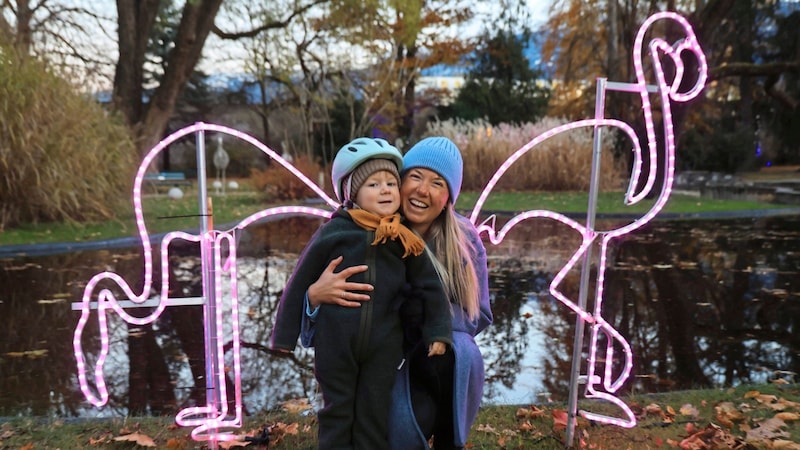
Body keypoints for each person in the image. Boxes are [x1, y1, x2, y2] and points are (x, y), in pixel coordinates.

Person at [306, 136, 493, 450]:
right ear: (399, 181)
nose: (422, 190)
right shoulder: (355, 229)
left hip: (433, 360)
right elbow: (311, 321)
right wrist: (314, 296)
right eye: (415, 177)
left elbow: (479, 316)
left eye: (437, 183)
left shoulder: (464, 240)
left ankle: (450, 442)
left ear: (448, 196)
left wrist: (428, 316)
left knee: (463, 349)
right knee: (393, 433)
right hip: (380, 362)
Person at [269, 137, 453, 450]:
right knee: (337, 410)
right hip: (335, 342)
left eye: (391, 183)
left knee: (373, 412)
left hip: (384, 344)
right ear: (353, 194)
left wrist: (438, 330)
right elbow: (300, 282)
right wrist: (284, 338)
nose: (385, 190)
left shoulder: (403, 238)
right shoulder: (334, 232)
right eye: (373, 184)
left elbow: (431, 286)